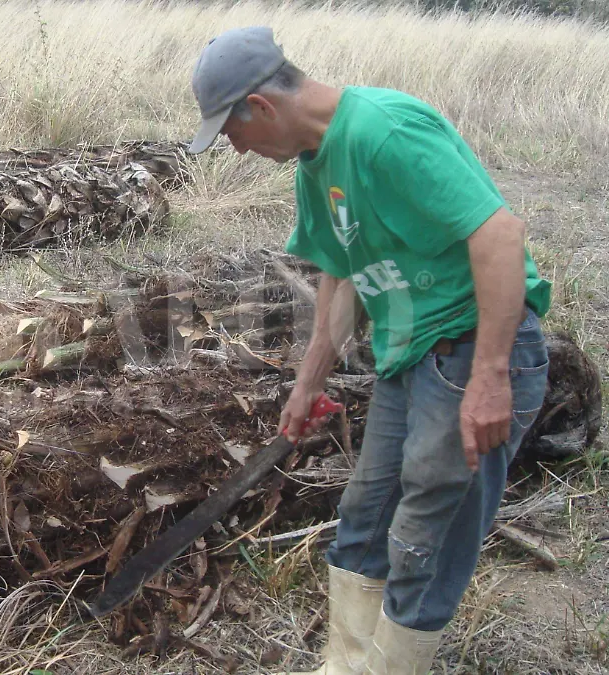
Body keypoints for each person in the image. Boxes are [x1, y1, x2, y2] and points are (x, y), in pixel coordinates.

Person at [185, 26, 551, 675]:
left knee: (422, 538)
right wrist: (306, 384)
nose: (237, 150)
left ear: (262, 107)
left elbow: (499, 235)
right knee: (364, 517)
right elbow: (340, 277)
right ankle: (346, 663)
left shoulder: (385, 130)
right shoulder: (313, 169)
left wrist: (491, 377)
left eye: (232, 133)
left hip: (472, 348)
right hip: (408, 358)